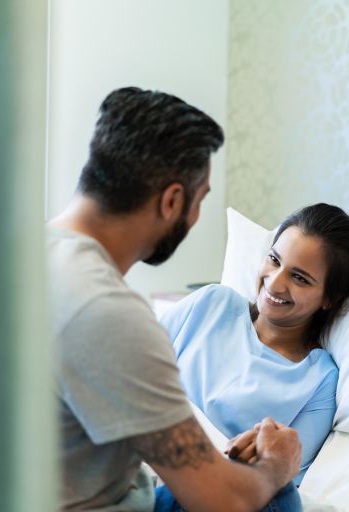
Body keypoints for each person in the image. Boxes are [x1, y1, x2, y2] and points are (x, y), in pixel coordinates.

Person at [47, 86, 302, 512]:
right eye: (199, 201)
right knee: (275, 493)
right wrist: (278, 464)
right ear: (172, 200)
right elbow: (223, 501)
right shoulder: (110, 314)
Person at [160, 203, 349, 484]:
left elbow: (286, 483)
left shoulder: (318, 380)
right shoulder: (209, 304)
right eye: (274, 260)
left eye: (299, 278)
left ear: (329, 298)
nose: (275, 284)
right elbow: (126, 372)